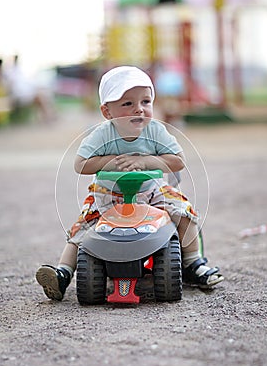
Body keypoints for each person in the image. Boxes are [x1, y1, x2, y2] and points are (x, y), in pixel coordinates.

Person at [36, 66, 224, 301]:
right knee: (83, 228)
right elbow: (80, 164)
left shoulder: (156, 131)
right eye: (127, 104)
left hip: (152, 192)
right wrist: (111, 163)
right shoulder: (102, 135)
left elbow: (178, 160)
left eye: (146, 101)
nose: (139, 109)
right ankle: (63, 273)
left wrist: (146, 161)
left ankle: (193, 262)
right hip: (108, 194)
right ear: (107, 111)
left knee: (183, 211)